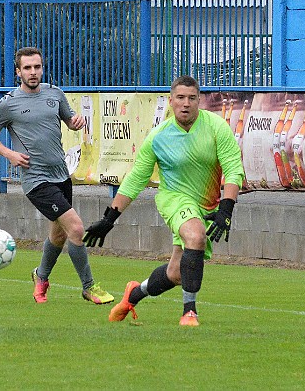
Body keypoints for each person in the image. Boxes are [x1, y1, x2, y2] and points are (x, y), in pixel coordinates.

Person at [83, 75, 244, 326]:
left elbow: (233, 168)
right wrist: (109, 218)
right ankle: (189, 312)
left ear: (199, 101)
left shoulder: (216, 127)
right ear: (170, 101)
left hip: (207, 205)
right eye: (180, 98)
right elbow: (136, 179)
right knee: (196, 235)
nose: (186, 103)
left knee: (176, 273)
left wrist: (227, 207)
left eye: (192, 98)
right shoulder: (159, 137)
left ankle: (133, 295)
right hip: (174, 199)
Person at [0, 46, 114, 305]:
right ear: (18, 71)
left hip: (60, 175)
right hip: (36, 179)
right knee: (76, 228)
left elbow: (70, 119)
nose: (33, 72)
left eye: (37, 67)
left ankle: (40, 276)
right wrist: (10, 155)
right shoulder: (8, 104)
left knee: (59, 235)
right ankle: (89, 287)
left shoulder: (55, 94)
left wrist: (75, 121)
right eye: (28, 68)